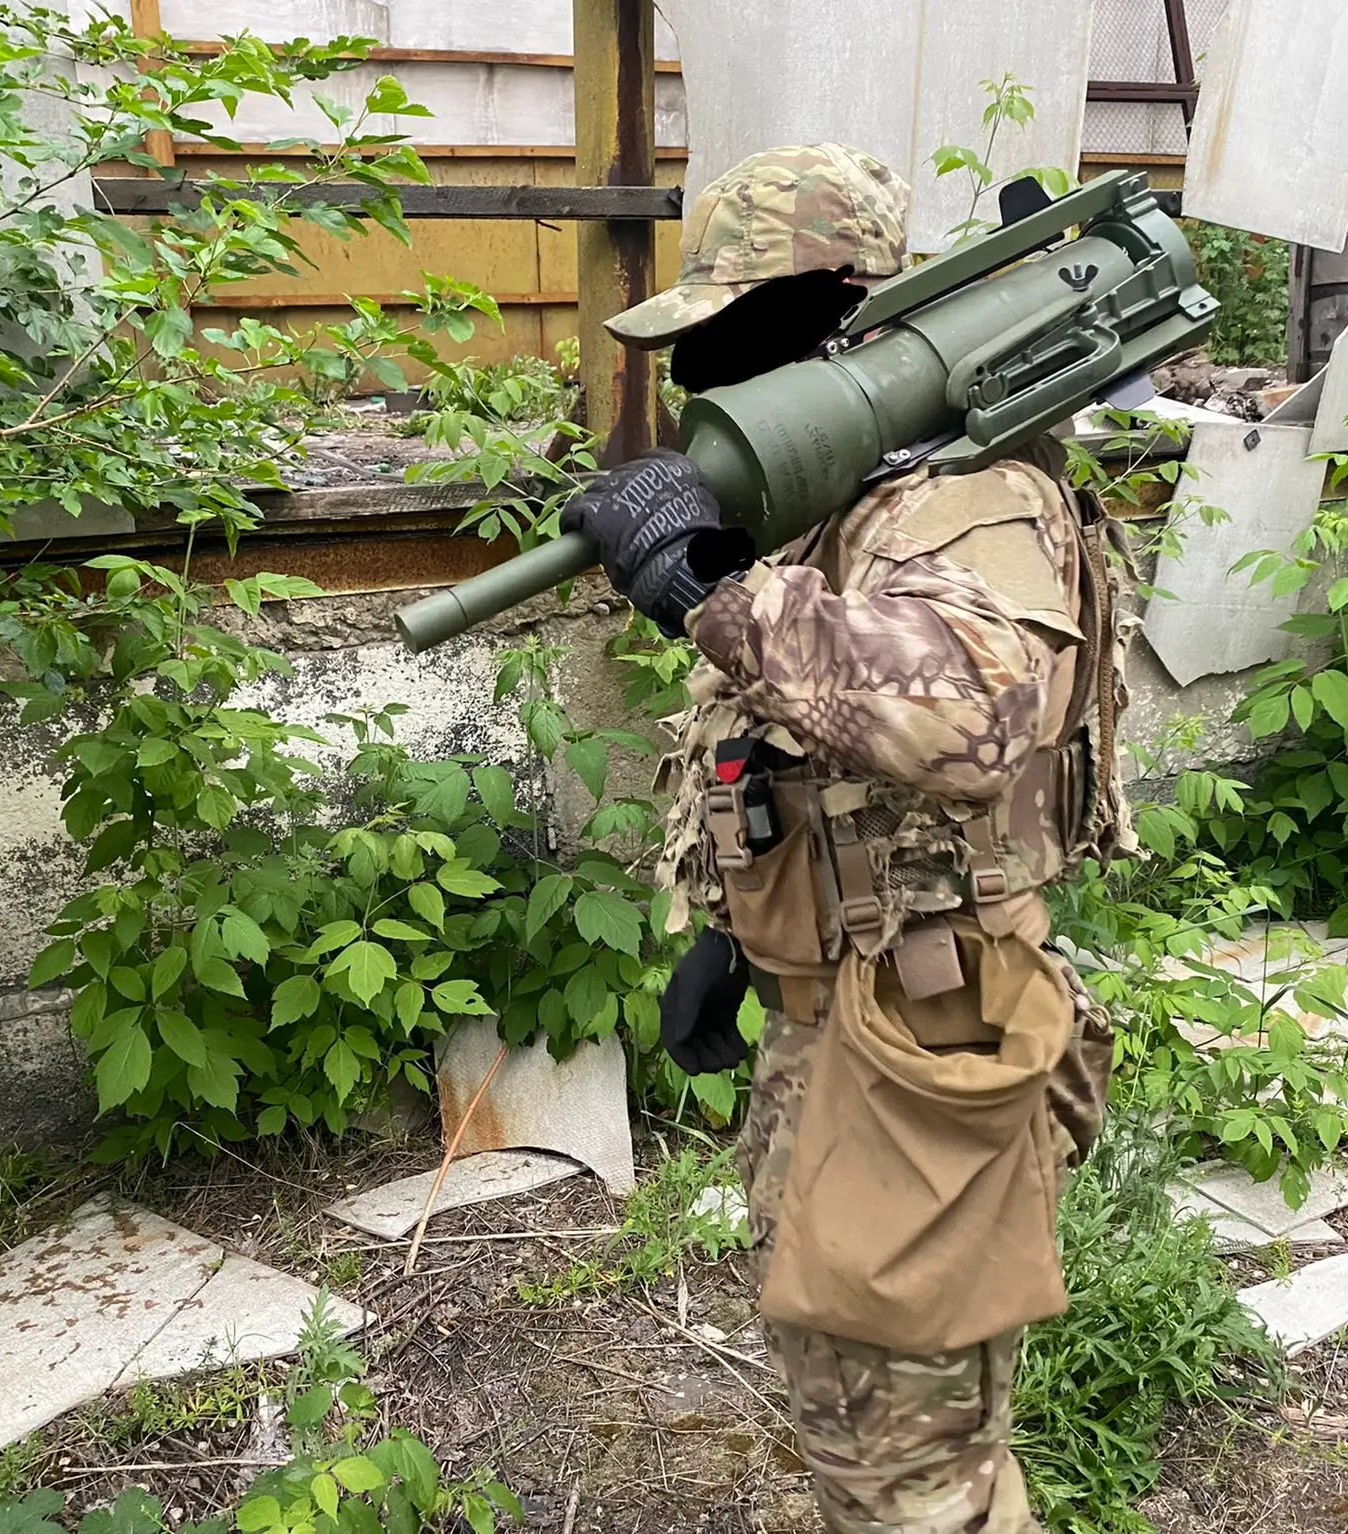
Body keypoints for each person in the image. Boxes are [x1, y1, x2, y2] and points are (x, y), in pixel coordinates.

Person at [560, 143, 1137, 1534]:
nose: (701, 374)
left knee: (910, 1472)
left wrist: (713, 591)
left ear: (832, 317)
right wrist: (735, 927)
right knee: (862, 1428)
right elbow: (805, 757)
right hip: (840, 1026)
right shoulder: (843, 500)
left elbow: (974, 715)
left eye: (727, 331)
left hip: (920, 1041)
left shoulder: (966, 493)